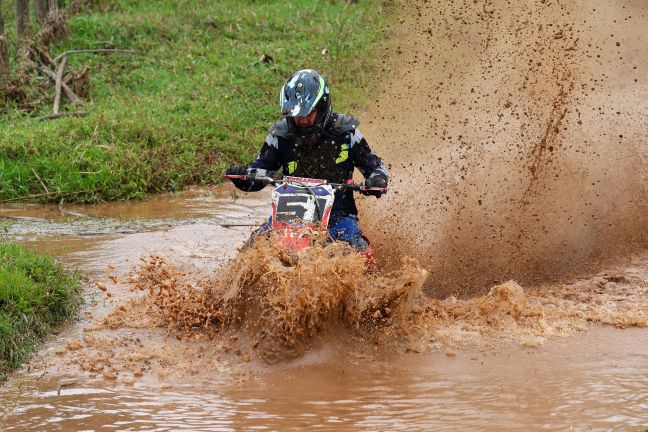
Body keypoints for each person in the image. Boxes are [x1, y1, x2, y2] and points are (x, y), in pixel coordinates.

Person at [225, 69, 388, 251]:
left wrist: (377, 180)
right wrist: (241, 176)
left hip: (338, 216)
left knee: (356, 248)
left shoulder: (346, 133)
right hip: (289, 215)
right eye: (296, 115)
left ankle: (371, 278)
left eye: (307, 114)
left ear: (322, 108)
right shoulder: (280, 136)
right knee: (255, 246)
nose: (301, 120)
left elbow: (375, 165)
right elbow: (257, 176)